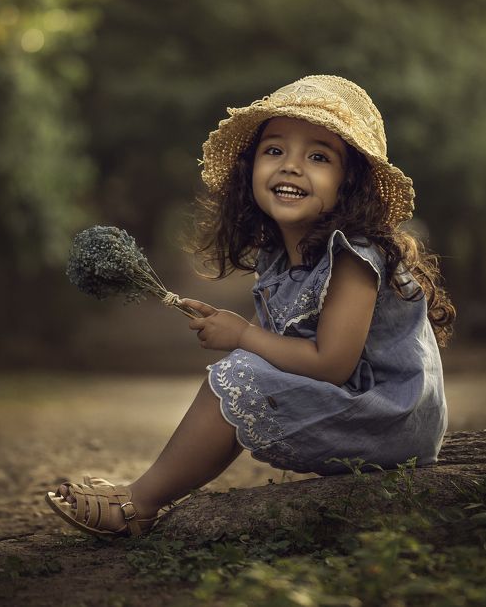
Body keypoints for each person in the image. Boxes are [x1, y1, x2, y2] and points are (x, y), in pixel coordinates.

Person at [46, 74, 455, 537]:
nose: (291, 167)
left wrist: (242, 335)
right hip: (360, 410)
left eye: (319, 157)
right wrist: (239, 335)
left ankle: (137, 503)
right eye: (274, 150)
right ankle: (145, 492)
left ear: (349, 184)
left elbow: (333, 363)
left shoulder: (354, 258)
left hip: (391, 422)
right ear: (251, 170)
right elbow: (279, 349)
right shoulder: (282, 257)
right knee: (240, 376)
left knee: (238, 375)